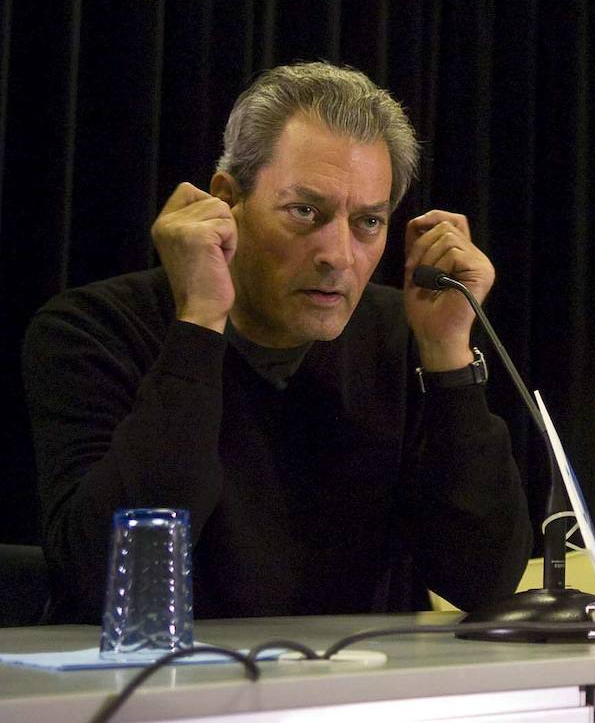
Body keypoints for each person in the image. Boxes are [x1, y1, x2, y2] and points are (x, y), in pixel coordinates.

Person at [24, 62, 532, 622]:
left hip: (350, 691)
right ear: (226, 200)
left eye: (368, 222)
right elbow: (101, 579)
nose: (338, 255)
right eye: (305, 211)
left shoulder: (400, 335)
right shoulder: (92, 330)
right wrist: (198, 324)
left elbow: (484, 582)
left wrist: (448, 358)